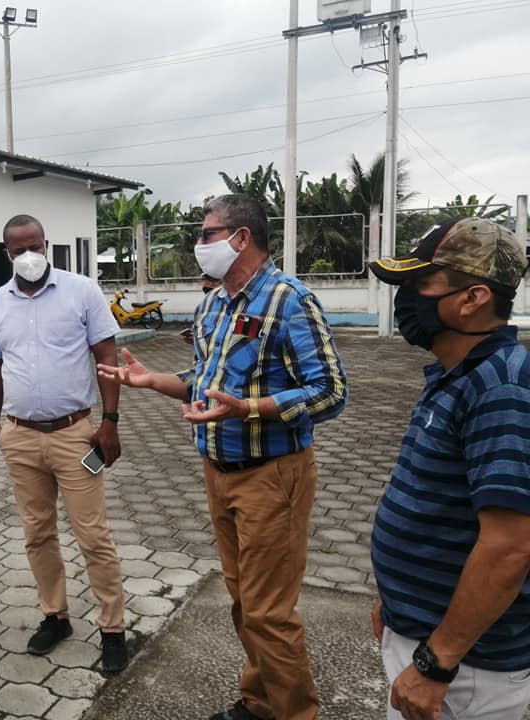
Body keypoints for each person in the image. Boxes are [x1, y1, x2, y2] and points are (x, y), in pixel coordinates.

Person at [98, 193, 347, 720]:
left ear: (241, 238)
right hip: (218, 473)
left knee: (268, 613)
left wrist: (252, 408)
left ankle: (296, 713)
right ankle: (260, 702)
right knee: (244, 603)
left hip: (272, 477)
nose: (198, 243)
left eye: (206, 233)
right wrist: (151, 380)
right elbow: (202, 380)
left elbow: (331, 391)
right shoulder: (213, 304)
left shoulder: (289, 300)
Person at [368, 218, 530, 720]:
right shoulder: (458, 374)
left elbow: (510, 547)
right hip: (427, 638)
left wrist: (436, 663)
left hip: (463, 671)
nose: (405, 299)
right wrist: (395, 604)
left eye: (419, 284)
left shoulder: (501, 388)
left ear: (472, 298)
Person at [0, 214, 129, 672]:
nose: (28, 256)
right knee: (37, 533)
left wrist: (110, 421)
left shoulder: (81, 291)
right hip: (20, 437)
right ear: (7, 253)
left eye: (35, 246)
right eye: (18, 250)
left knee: (93, 535)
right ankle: (55, 616)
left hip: (75, 434)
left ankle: (113, 629)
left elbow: (107, 356)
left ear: (47, 245)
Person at [181, 274, 222, 344]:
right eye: (205, 281)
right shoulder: (201, 307)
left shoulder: (231, 305)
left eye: (213, 281)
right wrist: (194, 338)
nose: (209, 284)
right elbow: (201, 329)